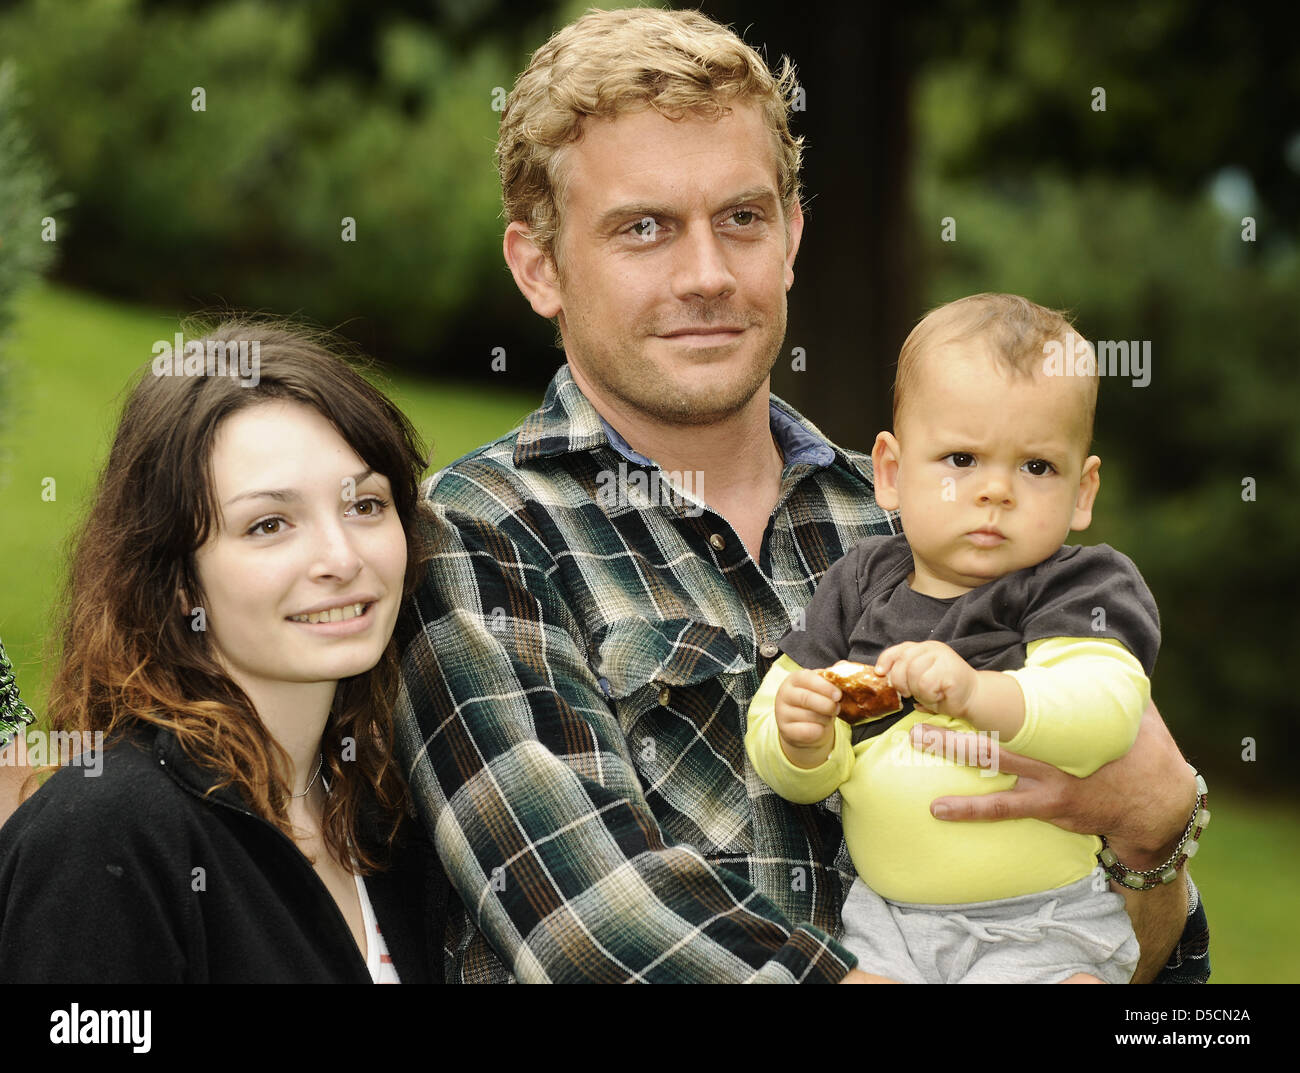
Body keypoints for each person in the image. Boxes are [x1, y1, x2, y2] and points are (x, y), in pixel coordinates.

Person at [395, 6, 1209, 983]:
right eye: (643, 228)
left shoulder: (931, 524)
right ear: (539, 265)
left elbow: (1157, 970)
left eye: (741, 218)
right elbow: (595, 935)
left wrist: (1155, 837)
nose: (706, 275)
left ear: (789, 238)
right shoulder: (475, 538)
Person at [746, 293, 1196, 983]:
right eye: (961, 458)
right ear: (892, 472)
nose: (996, 491)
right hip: (888, 920)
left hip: (1044, 924)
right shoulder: (858, 584)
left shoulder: (1079, 587)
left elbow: (1102, 712)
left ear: (1083, 488)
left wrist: (980, 693)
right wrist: (803, 742)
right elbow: (779, 718)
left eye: (1036, 467)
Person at [0, 322, 448, 983]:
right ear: (177, 581)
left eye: (366, 504)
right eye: (269, 524)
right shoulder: (105, 835)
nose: (342, 557)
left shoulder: (390, 815)